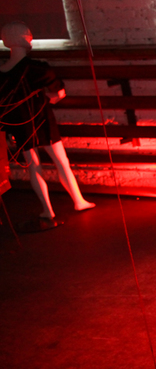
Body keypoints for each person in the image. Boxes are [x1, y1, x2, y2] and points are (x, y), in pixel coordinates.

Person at [0, 21, 94, 228]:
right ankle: (78, 201)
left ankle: (47, 210)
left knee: (33, 166)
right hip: (42, 118)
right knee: (61, 161)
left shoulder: (2, 72)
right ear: (25, 38)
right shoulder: (37, 68)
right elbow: (58, 93)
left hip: (19, 124)